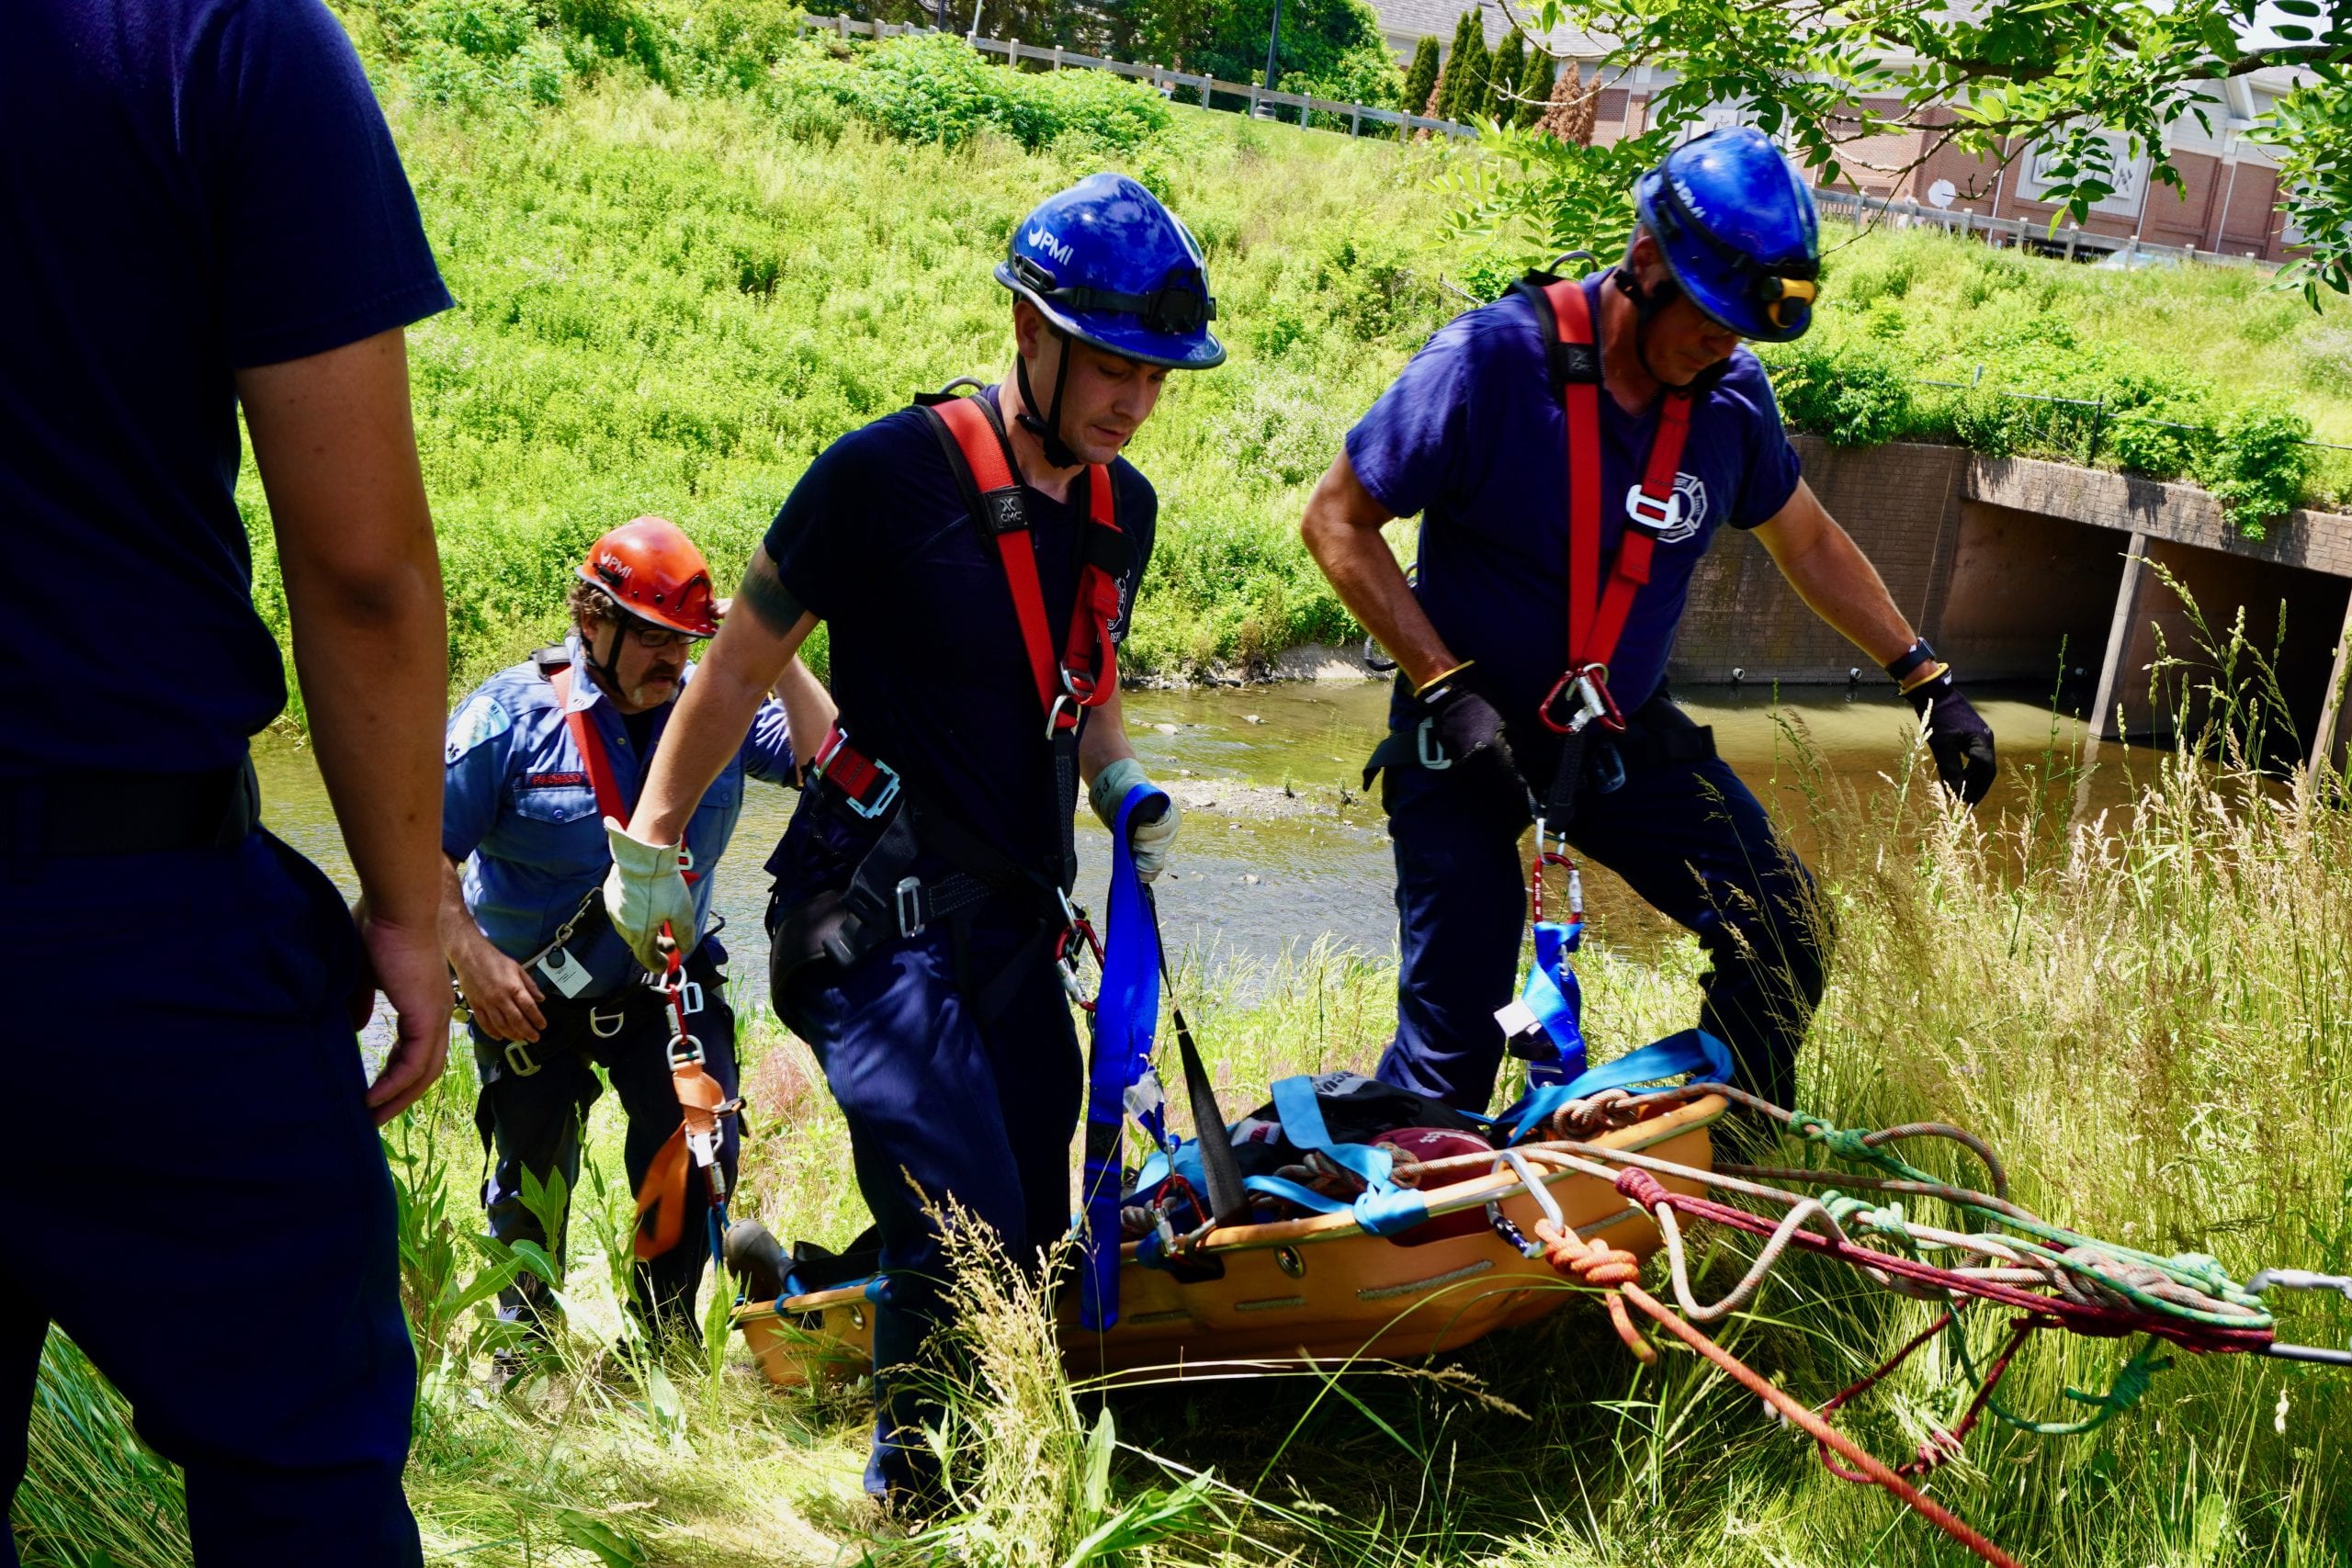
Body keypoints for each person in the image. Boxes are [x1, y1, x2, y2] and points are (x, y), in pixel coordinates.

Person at [598, 173, 1219, 1505]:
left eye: (1158, 376)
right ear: (1027, 326)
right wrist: (652, 840)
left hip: (1007, 919)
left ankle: (797, 1285)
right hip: (858, 911)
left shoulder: (1124, 513)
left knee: (1030, 1229)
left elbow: (1084, 688)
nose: (1134, 399)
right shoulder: (882, 478)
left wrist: (1122, 788)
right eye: (1113, 362)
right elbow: (737, 663)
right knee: (967, 1216)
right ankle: (914, 1496)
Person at [1, 2, 455, 1562]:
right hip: (131, 917)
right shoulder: (221, 38)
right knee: (298, 1469)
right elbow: (362, 566)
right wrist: (409, 908)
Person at [1301, 126, 1996, 1119]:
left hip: (1619, 738)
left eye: (1741, 333)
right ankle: (1420, 1213)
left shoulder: (1727, 400)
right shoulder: (1491, 362)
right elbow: (1336, 521)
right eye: (1710, 320)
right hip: (1468, 742)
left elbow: (1807, 543)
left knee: (1785, 930)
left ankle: (1718, 1150)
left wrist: (1927, 680)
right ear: (1643, 263)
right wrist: (1445, 688)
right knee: (1455, 1044)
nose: (1725, 346)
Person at [441, 517, 832, 1350]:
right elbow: (417, 855)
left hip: (665, 987)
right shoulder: (507, 720)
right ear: (593, 620)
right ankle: (527, 1349)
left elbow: (825, 757)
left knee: (696, 1151)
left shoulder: (714, 705)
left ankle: (662, 1338)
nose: (673, 659)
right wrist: (472, 961)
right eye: (652, 636)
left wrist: (767, 650)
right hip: (527, 996)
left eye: (687, 640)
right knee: (531, 1180)